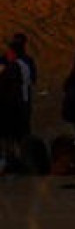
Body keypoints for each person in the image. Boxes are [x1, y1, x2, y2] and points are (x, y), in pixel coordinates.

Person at [0, 40, 32, 168]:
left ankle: (13, 162)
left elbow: (5, 86)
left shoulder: (13, 67)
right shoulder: (25, 65)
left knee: (10, 136)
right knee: (19, 136)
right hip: (22, 103)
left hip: (12, 107)